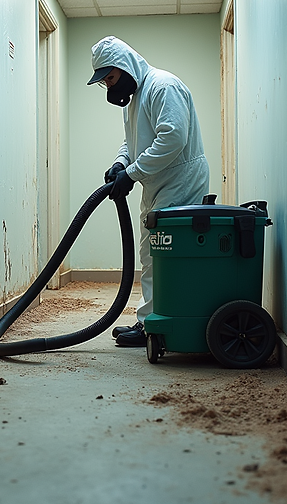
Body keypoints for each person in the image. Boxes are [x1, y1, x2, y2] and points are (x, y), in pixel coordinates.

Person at [87, 36, 210, 347]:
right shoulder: (135, 98)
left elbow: (173, 138)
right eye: (104, 83)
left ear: (124, 67)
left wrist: (132, 173)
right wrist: (120, 164)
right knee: (151, 253)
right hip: (156, 181)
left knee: (166, 254)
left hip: (180, 179)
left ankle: (163, 323)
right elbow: (132, 140)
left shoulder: (162, 86)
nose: (109, 87)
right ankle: (152, 322)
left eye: (110, 78)